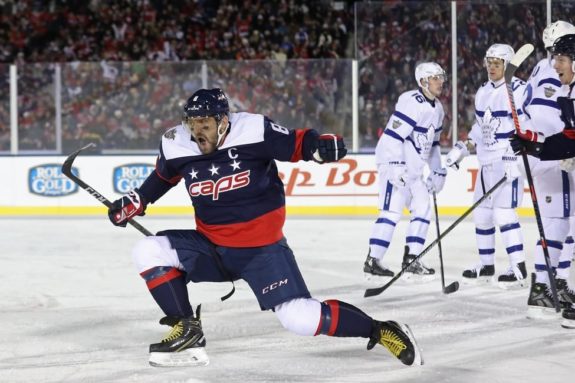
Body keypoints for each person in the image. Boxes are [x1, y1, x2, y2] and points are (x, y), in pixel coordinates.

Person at [108, 88, 424, 367]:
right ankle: (187, 329)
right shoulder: (177, 143)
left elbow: (299, 143)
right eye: (193, 125)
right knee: (148, 250)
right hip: (211, 246)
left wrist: (319, 147)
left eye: (204, 124)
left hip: (262, 252)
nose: (197, 132)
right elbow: (163, 177)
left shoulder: (253, 129)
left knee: (300, 318)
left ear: (223, 121)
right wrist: (136, 200)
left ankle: (380, 330)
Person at [445, 43, 527, 288]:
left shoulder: (519, 90)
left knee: (504, 214)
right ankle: (487, 265)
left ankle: (518, 267)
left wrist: (518, 157)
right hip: (486, 162)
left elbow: (528, 125)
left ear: (507, 65)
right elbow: (481, 128)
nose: (491, 67)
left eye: (497, 63)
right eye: (488, 62)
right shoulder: (483, 91)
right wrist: (464, 146)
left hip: (508, 161)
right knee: (481, 215)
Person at [510, 34, 575, 329]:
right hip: (557, 164)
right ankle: (545, 288)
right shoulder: (567, 93)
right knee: (559, 223)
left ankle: (546, 288)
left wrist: (538, 147)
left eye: (561, 59)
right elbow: (568, 138)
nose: (554, 64)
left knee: (560, 223)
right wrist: (534, 144)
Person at [363, 62, 447, 281]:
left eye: (441, 77)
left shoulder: (438, 109)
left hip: (414, 169)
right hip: (394, 162)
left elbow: (434, 144)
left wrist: (437, 170)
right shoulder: (412, 102)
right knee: (392, 211)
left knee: (423, 207)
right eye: (435, 78)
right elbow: (393, 136)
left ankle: (412, 259)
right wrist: (396, 165)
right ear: (423, 81)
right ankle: (374, 260)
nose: (440, 82)